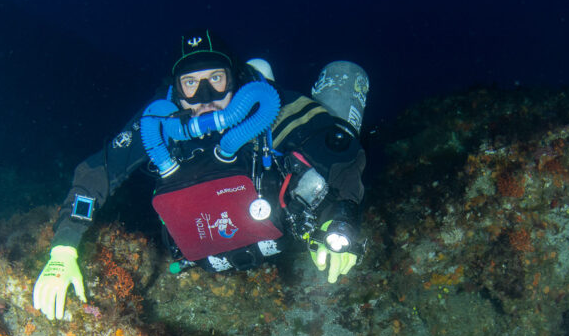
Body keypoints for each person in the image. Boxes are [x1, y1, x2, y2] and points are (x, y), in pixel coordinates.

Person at [33, 29, 368, 321]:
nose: (205, 98)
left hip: (286, 237)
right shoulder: (158, 123)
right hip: (204, 254)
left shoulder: (272, 107)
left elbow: (342, 156)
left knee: (321, 156)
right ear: (177, 90)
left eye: (216, 79)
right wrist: (64, 248)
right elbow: (96, 173)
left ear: (234, 78)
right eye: (191, 84)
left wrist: (339, 218)